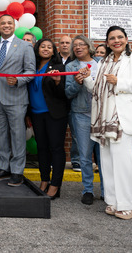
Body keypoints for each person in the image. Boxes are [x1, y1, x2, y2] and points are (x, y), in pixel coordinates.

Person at [80, 25, 132, 220]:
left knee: (122, 162)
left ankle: (129, 204)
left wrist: (119, 82)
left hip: (122, 118)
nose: (116, 41)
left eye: (120, 37)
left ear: (127, 39)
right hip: (104, 119)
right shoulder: (104, 61)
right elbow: (98, 89)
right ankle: (113, 201)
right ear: (107, 42)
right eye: (112, 38)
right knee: (108, 162)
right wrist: (87, 80)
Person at [0, 15, 35, 187]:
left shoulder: (25, 46)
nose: (6, 26)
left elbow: (30, 71)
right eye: (3, 23)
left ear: (14, 25)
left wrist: (18, 80)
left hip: (16, 97)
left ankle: (17, 171)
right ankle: (5, 168)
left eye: (9, 23)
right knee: (0, 136)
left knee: (17, 136)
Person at [27, 38, 68, 199]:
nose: (45, 49)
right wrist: (27, 114)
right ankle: (44, 180)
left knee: (56, 149)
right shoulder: (32, 67)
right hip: (36, 114)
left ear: (53, 51)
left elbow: (64, 94)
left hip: (54, 114)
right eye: (42, 46)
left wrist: (58, 82)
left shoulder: (58, 67)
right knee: (42, 149)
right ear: (37, 49)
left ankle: (55, 185)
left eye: (49, 47)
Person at [65, 35, 104, 205]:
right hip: (81, 114)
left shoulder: (101, 62)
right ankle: (88, 189)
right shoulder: (71, 66)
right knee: (85, 156)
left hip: (102, 114)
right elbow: (67, 93)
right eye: (75, 46)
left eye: (82, 45)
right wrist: (76, 83)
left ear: (89, 47)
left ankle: (106, 190)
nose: (78, 48)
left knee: (103, 157)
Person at [58, 34, 79, 171]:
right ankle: (56, 160)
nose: (65, 45)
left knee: (76, 133)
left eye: (67, 42)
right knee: (57, 134)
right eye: (62, 43)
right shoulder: (53, 60)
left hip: (73, 101)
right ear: (58, 45)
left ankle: (76, 160)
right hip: (57, 102)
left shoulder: (76, 60)